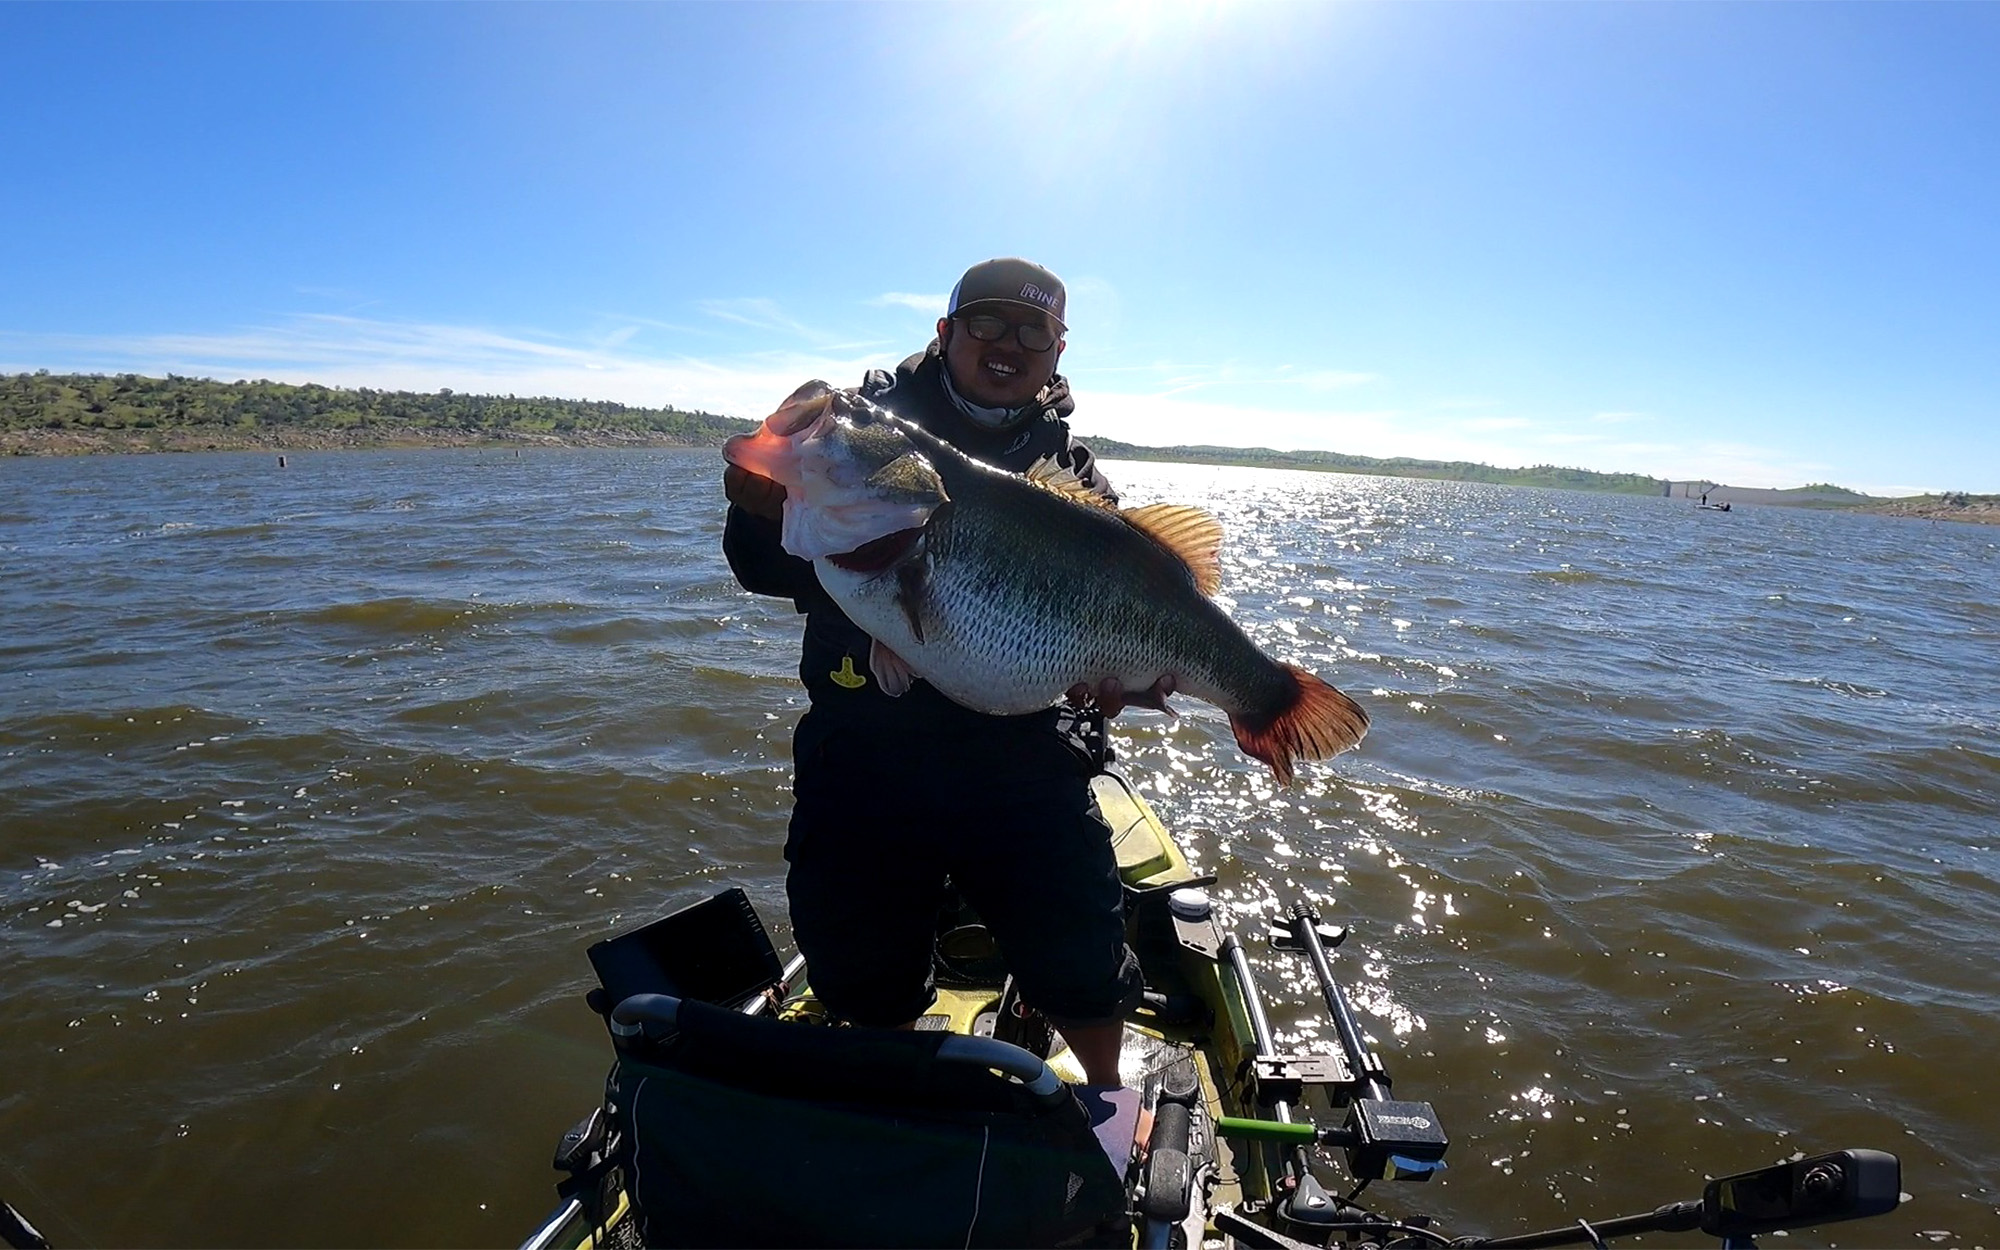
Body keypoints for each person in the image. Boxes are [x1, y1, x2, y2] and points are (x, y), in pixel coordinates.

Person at [721, 258, 1139, 1085]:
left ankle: (1105, 1101)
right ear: (944, 336)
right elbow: (762, 568)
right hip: (867, 747)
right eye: (985, 324)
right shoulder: (866, 431)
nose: (1007, 345)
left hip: (1025, 752)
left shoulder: (1077, 478)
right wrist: (757, 504)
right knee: (859, 961)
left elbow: (1118, 612)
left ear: (1059, 353)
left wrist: (1113, 674)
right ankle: (900, 1102)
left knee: (1081, 950)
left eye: (1033, 331)